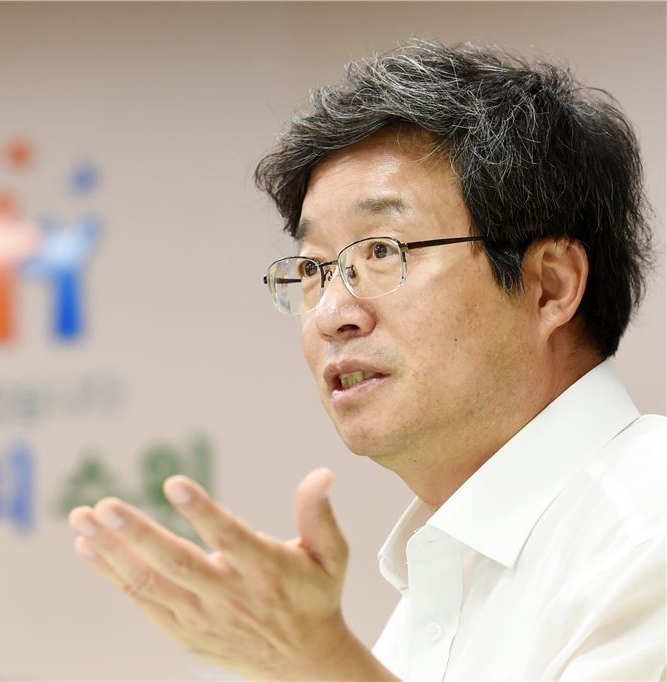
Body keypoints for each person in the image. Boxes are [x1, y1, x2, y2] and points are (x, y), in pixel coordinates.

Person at [67, 39, 666, 680]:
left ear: (549, 284)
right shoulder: (444, 577)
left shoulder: (645, 533)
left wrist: (318, 662)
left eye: (382, 251)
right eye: (313, 269)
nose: (332, 314)